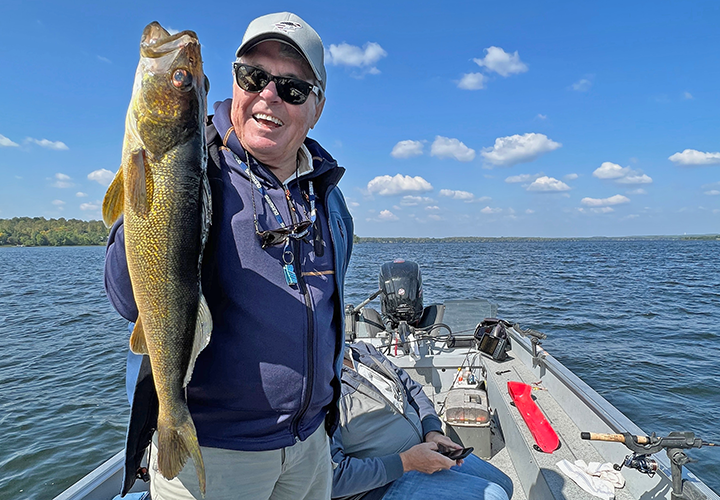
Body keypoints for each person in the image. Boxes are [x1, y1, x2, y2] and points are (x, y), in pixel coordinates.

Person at [104, 12, 353, 500]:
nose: (269, 96)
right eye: (254, 77)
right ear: (235, 84)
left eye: (293, 88)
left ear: (317, 107)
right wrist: (142, 187)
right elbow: (127, 299)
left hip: (310, 448)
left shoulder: (328, 194)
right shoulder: (201, 166)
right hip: (218, 457)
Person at [330, 342, 513, 500]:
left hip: (421, 451)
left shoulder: (362, 351)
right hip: (374, 488)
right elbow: (332, 478)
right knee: (493, 496)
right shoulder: (319, 387)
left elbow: (413, 391)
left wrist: (432, 432)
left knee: (504, 484)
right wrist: (406, 462)